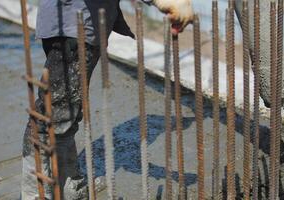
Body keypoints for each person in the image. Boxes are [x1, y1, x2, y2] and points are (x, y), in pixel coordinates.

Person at [21, 0, 194, 199]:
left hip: (79, 24)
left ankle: (69, 188)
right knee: (49, 119)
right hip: (73, 25)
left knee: (66, 115)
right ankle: (35, 195)